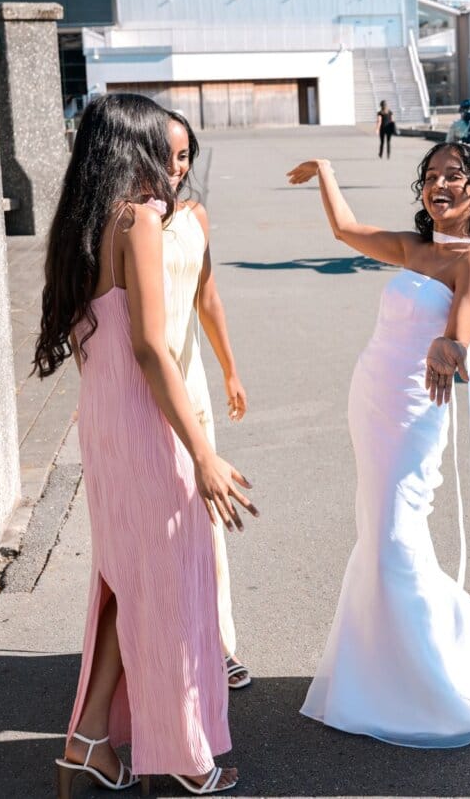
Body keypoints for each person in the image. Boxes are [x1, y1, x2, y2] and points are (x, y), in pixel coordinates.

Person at [290, 143, 470, 749]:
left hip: (418, 405)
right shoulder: (416, 247)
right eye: (430, 177)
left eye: (453, 176)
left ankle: (431, 680)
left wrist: (445, 349)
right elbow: (346, 229)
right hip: (371, 393)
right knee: (378, 529)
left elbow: (459, 337)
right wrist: (326, 170)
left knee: (398, 534)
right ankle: (381, 672)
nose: (439, 185)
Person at [35, 93, 256, 798]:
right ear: (132, 148)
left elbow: (92, 345)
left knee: (128, 585)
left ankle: (89, 736)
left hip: (104, 422)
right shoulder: (141, 220)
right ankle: (188, 759)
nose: (173, 164)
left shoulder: (85, 221)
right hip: (146, 421)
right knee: (169, 591)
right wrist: (203, 453)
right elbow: (153, 347)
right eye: (160, 148)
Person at [165, 113, 253, 691]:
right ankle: (160, 640)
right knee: (158, 522)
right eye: (165, 154)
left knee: (204, 516)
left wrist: (229, 370)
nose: (175, 168)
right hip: (141, 387)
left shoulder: (195, 216)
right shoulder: (124, 221)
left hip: (189, 384)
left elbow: (208, 297)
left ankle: (217, 644)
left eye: (182, 155)